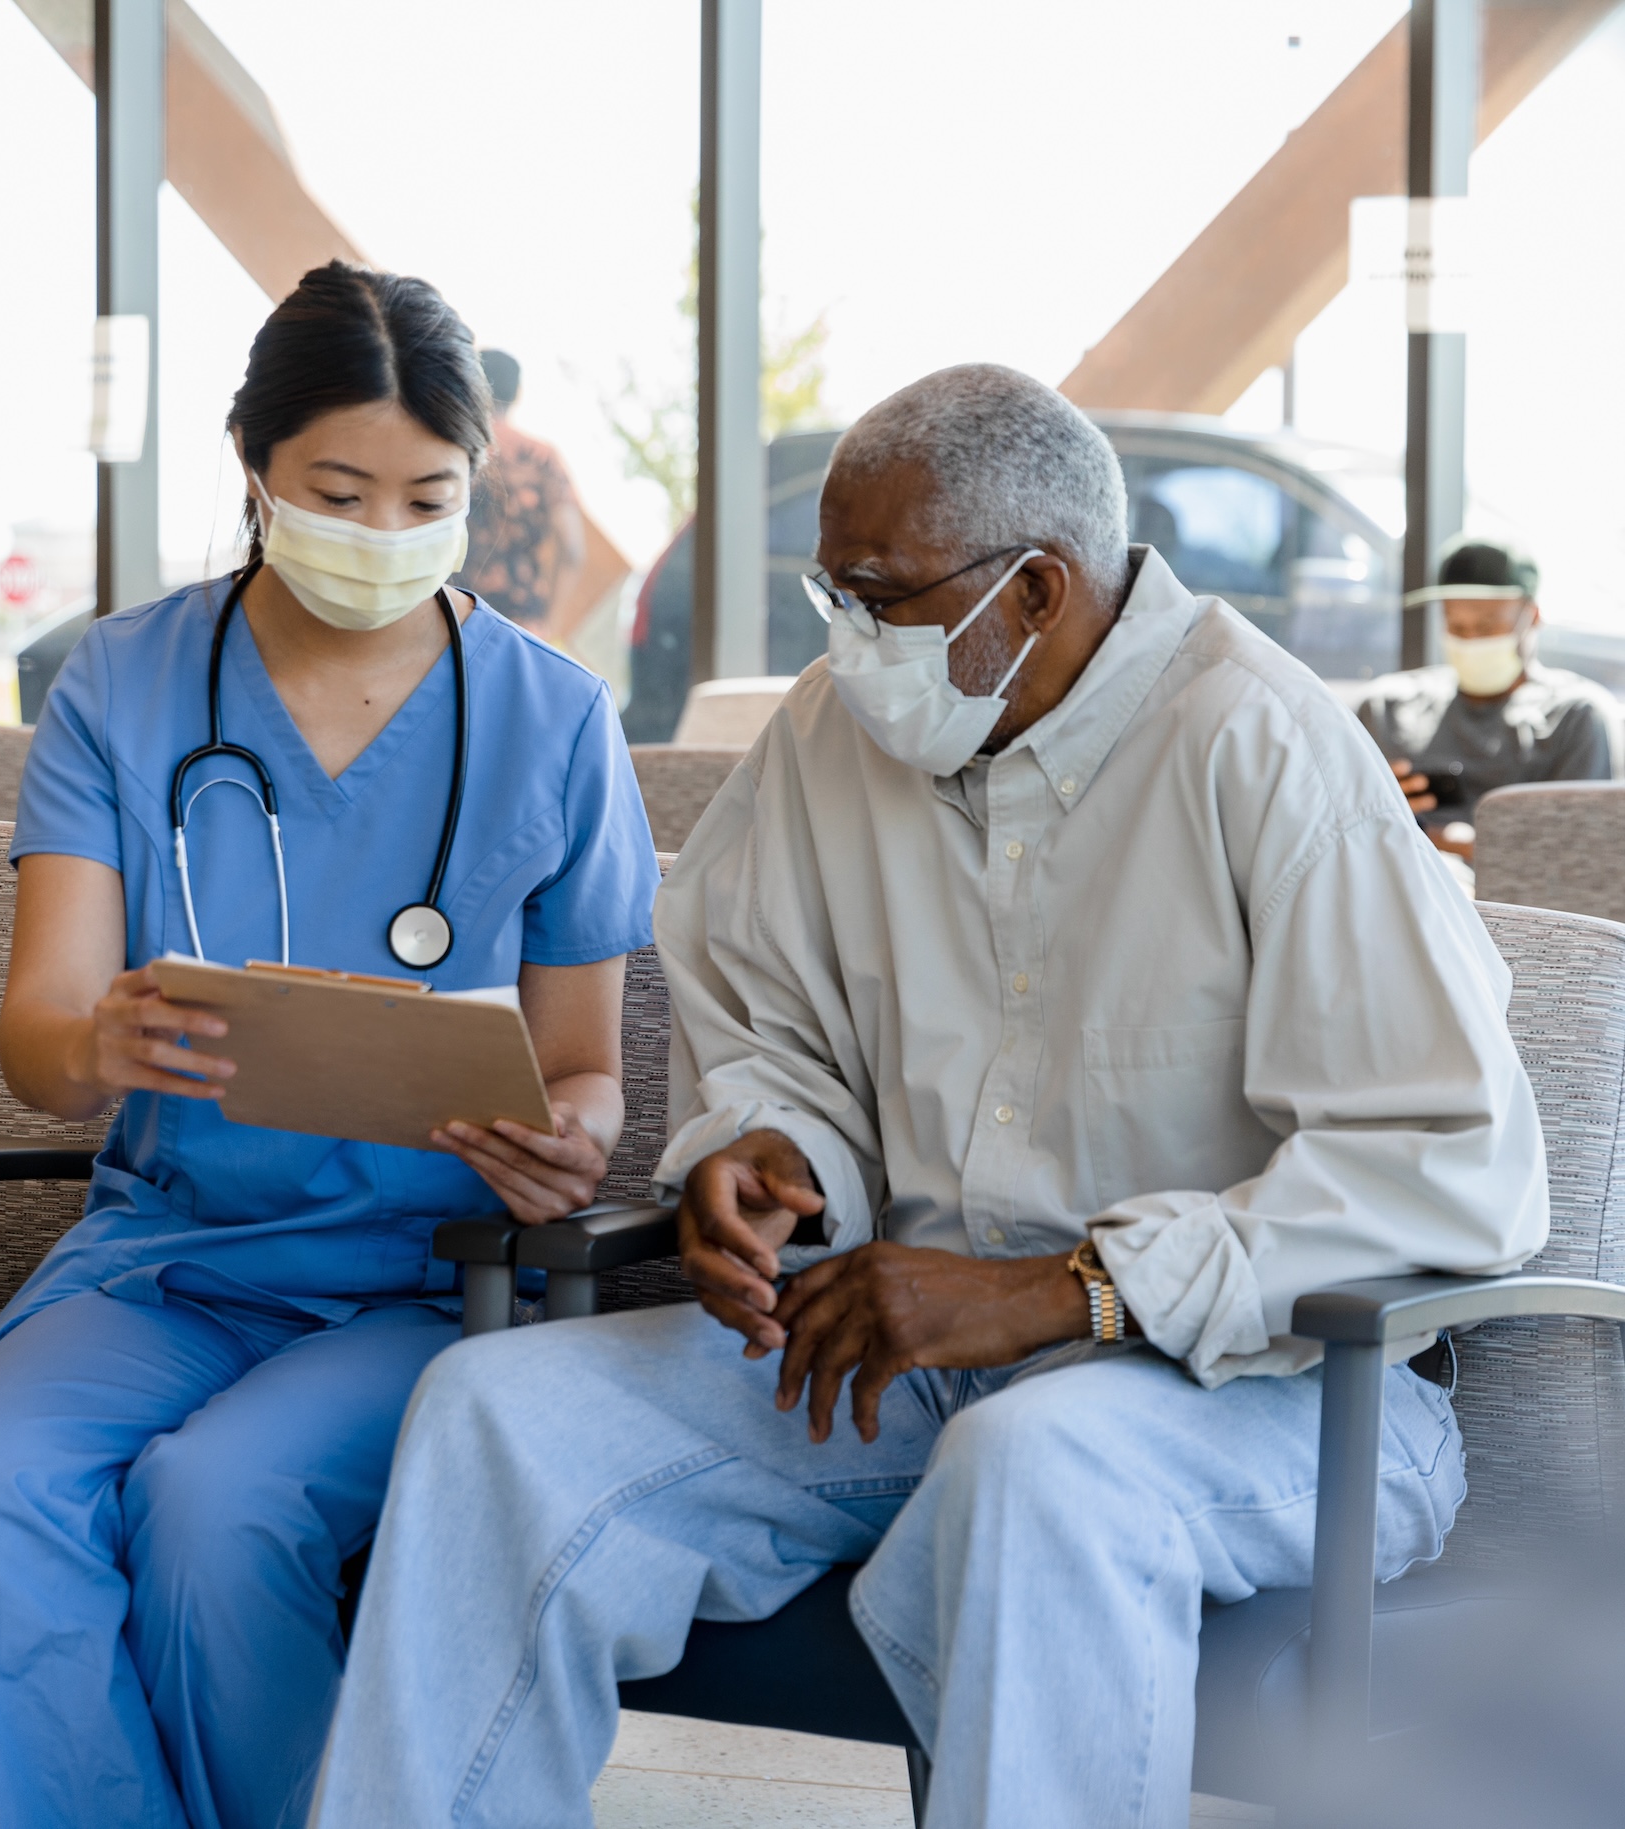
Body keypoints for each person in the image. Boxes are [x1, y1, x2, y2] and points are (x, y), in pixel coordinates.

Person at [309, 366, 1548, 1827]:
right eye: (828, 592)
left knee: (1037, 1461)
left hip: (1288, 1396)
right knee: (490, 1414)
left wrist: (1070, 1293)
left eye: (878, 597)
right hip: (904, 1359)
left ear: (1032, 589)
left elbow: (1452, 1169)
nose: (842, 638)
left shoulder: (1263, 750)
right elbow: (768, 1027)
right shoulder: (839, 733)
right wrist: (765, 1154)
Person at [0, 263, 659, 1829]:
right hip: (169, 1258)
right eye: (337, 488)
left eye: (426, 492)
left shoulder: (554, 722)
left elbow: (589, 1072)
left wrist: (566, 1140)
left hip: (425, 1279)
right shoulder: (125, 684)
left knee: (217, 1506)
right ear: (255, 467)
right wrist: (103, 1038)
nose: (381, 532)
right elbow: (40, 1046)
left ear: (476, 478)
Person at [1358, 536, 1618, 864]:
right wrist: (1374, 808)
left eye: (1486, 626)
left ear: (1532, 616)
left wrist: (1448, 840)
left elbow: (1578, 856)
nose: (1470, 640)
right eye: (1456, 626)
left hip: (1508, 906)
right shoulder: (1386, 708)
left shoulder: (1574, 716)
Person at [455, 347, 587, 632]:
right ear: (517, 393)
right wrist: (549, 626)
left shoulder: (454, 446)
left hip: (452, 611)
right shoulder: (542, 458)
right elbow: (573, 549)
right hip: (520, 619)